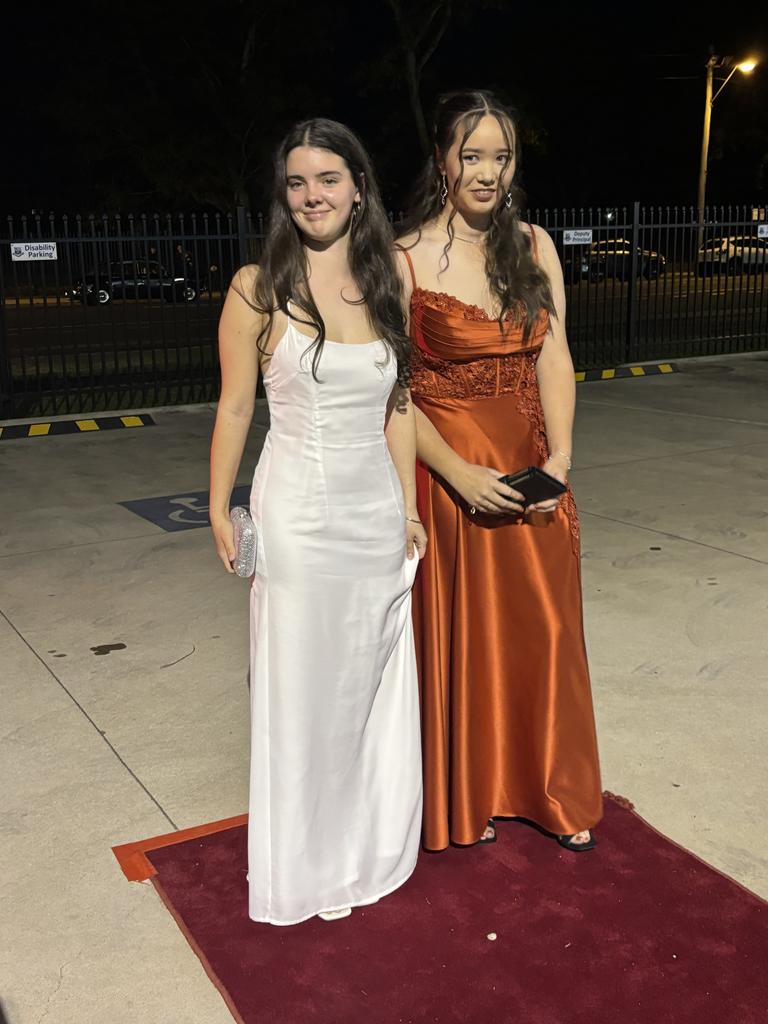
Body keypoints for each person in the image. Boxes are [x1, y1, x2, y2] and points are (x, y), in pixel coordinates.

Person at [209, 118, 426, 925]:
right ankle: (306, 864)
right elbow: (235, 406)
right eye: (297, 183)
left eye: (328, 179)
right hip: (296, 509)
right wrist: (217, 506)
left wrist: (407, 506)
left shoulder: (389, 276)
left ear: (358, 185)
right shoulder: (255, 287)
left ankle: (366, 844)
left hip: (374, 514)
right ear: (283, 195)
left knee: (365, 677)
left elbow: (398, 402)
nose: (313, 196)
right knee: (304, 687)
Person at [395, 90, 602, 854]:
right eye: (471, 154)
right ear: (443, 161)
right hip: (451, 477)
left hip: (531, 466)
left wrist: (560, 458)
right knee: (470, 639)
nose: (486, 171)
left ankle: (554, 788)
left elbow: (556, 355)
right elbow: (393, 392)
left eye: (500, 156)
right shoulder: (403, 254)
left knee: (544, 629)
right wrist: (454, 473)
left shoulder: (535, 244)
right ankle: (473, 789)